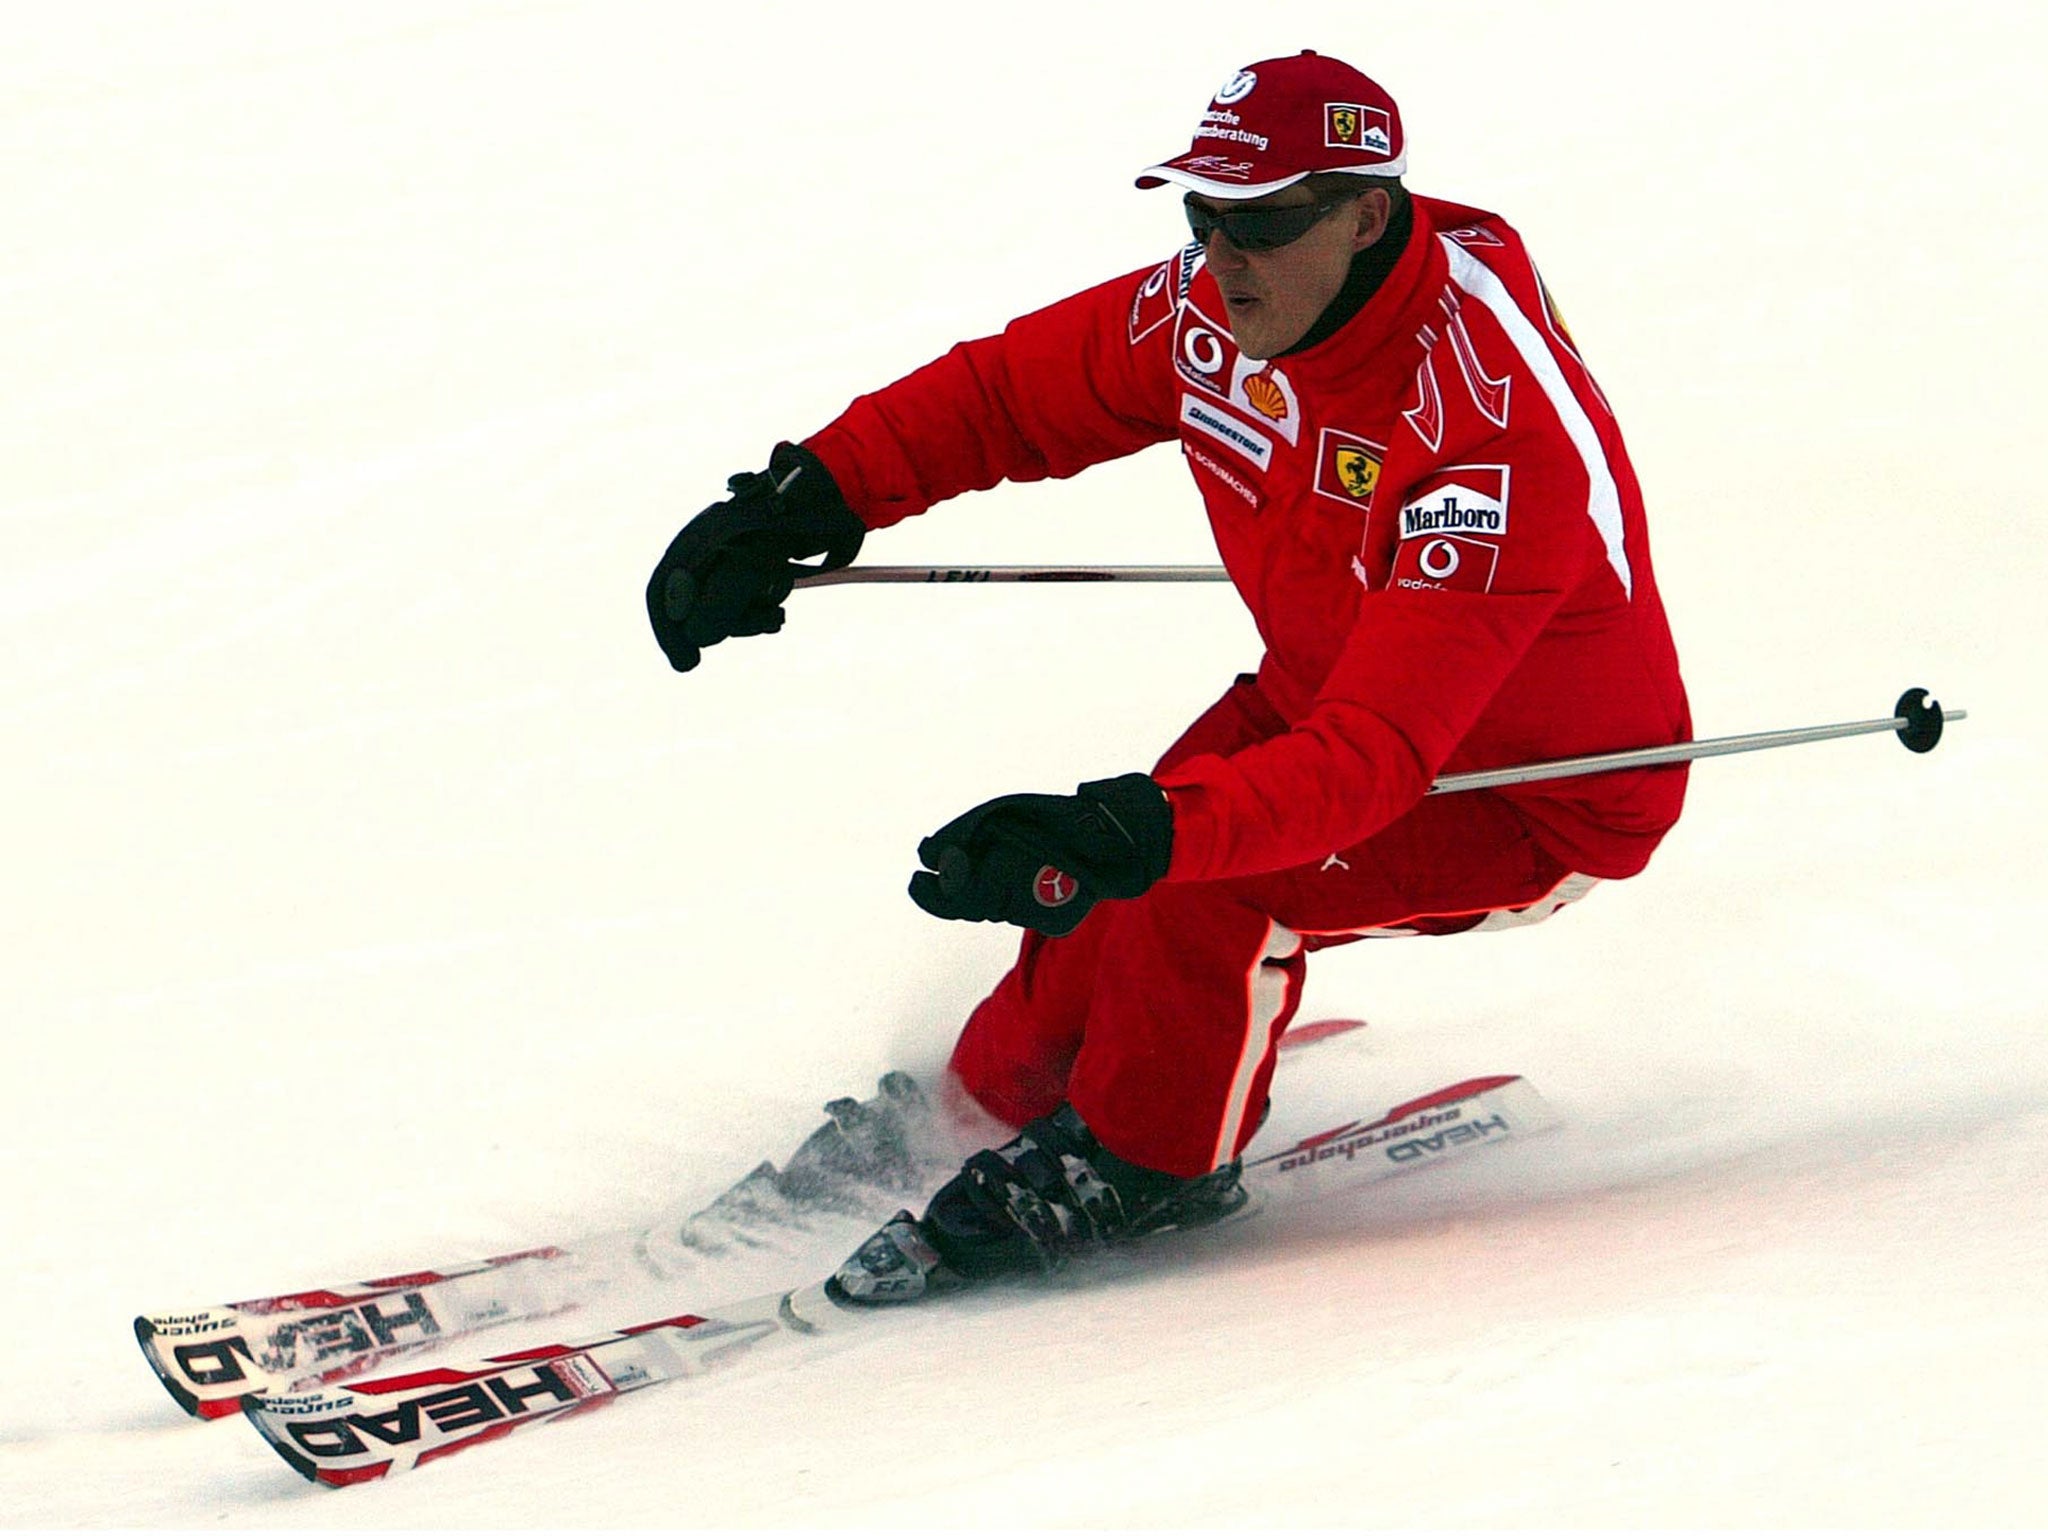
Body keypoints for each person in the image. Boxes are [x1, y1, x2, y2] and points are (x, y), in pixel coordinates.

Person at [646, 51, 1690, 1300]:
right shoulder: (1219, 313)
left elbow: (1370, 763)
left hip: (1520, 788)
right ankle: (971, 1111)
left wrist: (1141, 832)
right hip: (1326, 689)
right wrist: (799, 497)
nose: (1218, 255)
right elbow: (1007, 398)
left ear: (1363, 213)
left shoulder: (1487, 438)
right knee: (1103, 887)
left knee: (1197, 870)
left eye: (1258, 221)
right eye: (1200, 215)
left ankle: (1149, 1163)